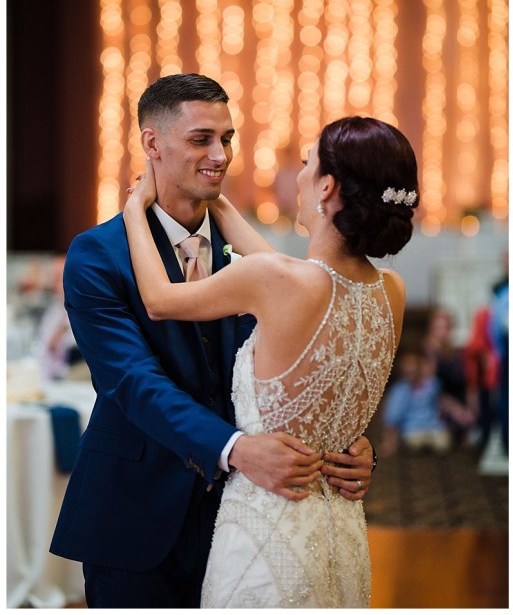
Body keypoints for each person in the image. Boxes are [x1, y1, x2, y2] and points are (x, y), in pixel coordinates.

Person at [50, 74, 376, 608]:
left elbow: (307, 363)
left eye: (227, 138)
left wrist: (345, 444)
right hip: (136, 515)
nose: (221, 155)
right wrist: (236, 449)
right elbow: (132, 382)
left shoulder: (253, 254)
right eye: (202, 139)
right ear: (152, 144)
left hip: (249, 517)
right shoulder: (98, 254)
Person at [122, 112, 417, 607]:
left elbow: (158, 299)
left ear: (326, 187)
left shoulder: (278, 282)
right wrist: (213, 196)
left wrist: (136, 208)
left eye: (307, 163)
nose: (299, 174)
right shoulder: (391, 292)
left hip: (265, 532)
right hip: (339, 530)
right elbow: (288, 274)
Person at [381, 350, 451, 455]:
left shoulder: (431, 384)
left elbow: (441, 401)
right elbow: (392, 418)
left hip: (432, 426)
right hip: (412, 428)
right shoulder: (400, 390)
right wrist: (390, 442)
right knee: (415, 442)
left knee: (443, 443)